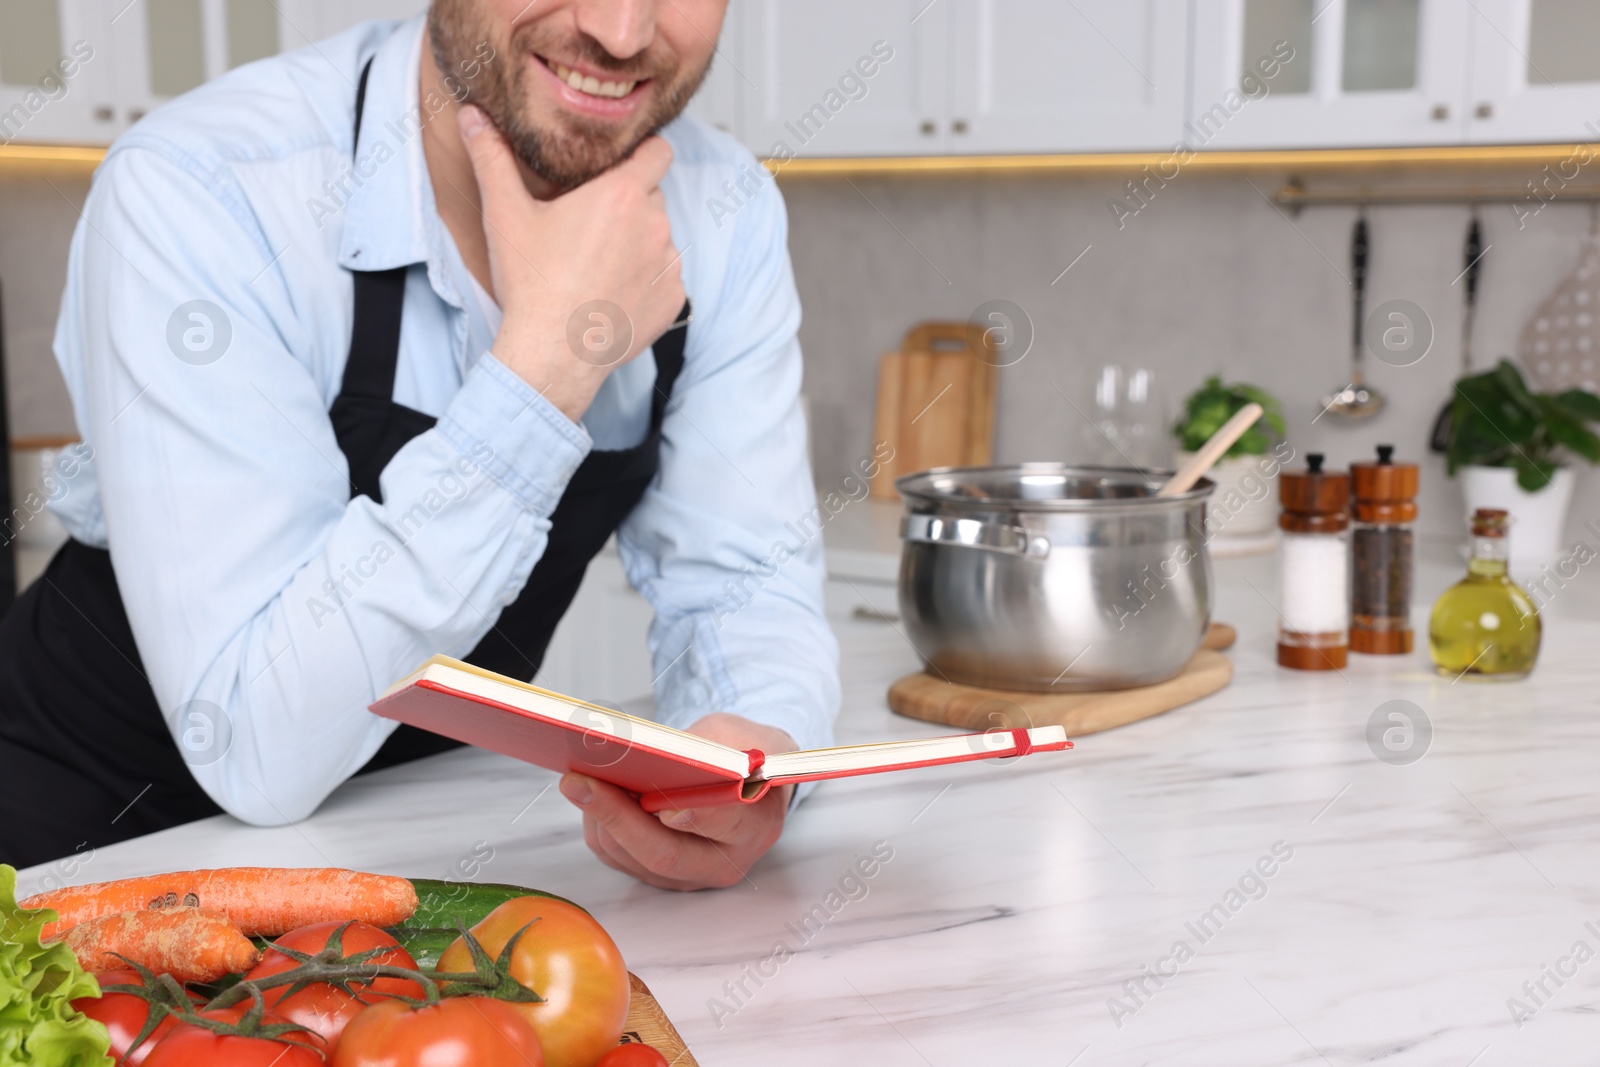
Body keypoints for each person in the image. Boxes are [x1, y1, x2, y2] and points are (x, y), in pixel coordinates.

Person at [0, 0, 838, 890]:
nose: (623, 32)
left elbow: (743, 586)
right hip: (79, 862)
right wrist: (549, 366)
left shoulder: (725, 209)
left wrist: (753, 768)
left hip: (399, 874)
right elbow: (256, 746)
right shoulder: (203, 187)